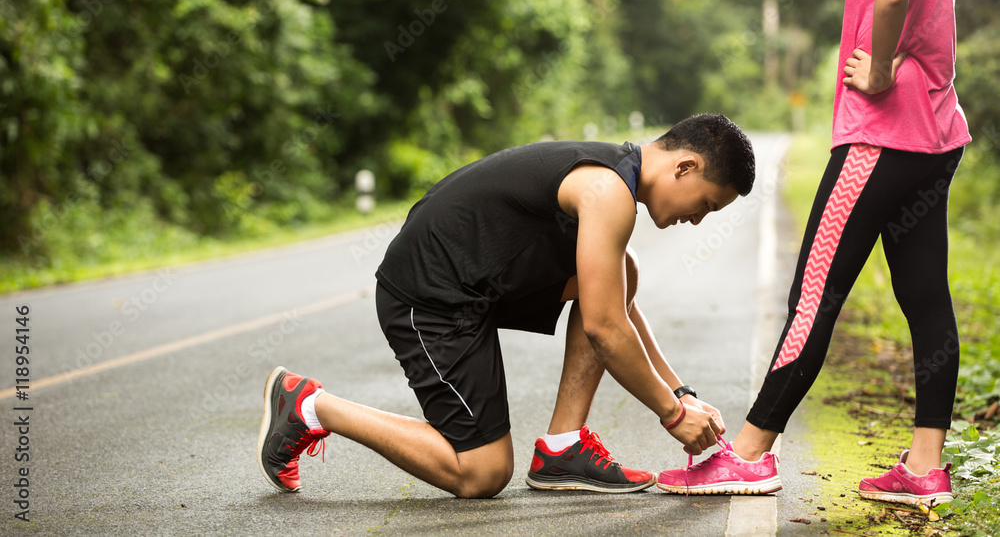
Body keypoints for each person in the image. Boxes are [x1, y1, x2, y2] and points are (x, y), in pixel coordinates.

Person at [657, 0, 970, 507]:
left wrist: (879, 71)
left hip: (880, 135)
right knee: (924, 296)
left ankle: (748, 455)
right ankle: (924, 466)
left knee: (812, 296)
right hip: (933, 135)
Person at [257, 113, 756, 498]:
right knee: (482, 473)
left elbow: (613, 308)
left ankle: (563, 449)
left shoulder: (615, 173)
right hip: (429, 296)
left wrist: (680, 392)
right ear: (685, 166)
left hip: (478, 283)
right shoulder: (608, 190)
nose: (698, 220)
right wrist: (671, 414)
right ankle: (308, 405)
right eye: (707, 204)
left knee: (618, 271)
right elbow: (605, 328)